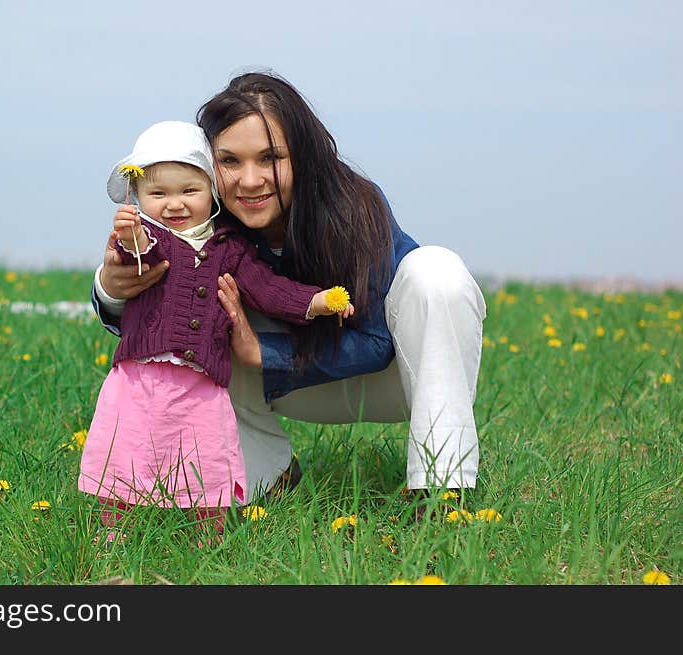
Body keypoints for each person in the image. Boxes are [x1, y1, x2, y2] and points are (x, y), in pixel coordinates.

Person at [91, 71, 487, 514]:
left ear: (301, 154)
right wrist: (110, 287)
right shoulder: (206, 225)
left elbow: (377, 343)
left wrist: (265, 351)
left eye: (270, 157)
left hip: (394, 378)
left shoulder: (354, 206)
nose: (251, 179)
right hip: (280, 387)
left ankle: (442, 492)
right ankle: (273, 473)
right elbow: (157, 311)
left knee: (437, 272)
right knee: (204, 331)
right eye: (230, 161)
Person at [78, 120, 354, 544]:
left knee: (205, 456)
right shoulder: (146, 236)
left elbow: (268, 289)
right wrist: (130, 235)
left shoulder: (229, 248)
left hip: (203, 384)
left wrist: (315, 302)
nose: (174, 205)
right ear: (137, 197)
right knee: (130, 450)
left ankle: (208, 535)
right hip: (140, 379)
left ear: (212, 192)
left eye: (189, 191)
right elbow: (134, 253)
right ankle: (114, 531)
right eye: (158, 194)